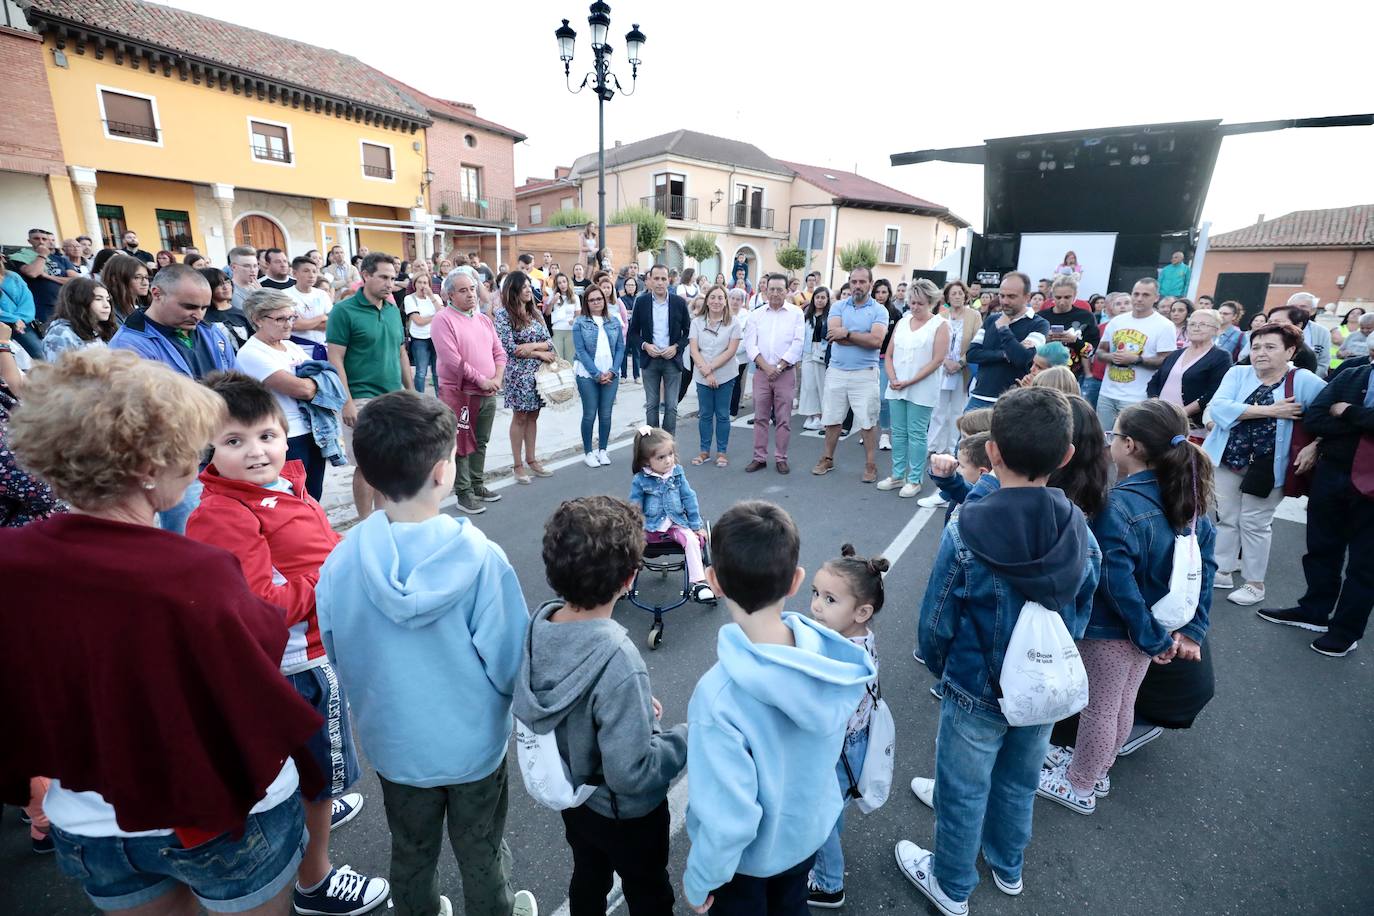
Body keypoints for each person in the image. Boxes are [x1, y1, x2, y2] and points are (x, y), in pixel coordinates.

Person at [1, 348, 325, 916]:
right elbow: (257, 675)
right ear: (150, 465)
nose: (195, 461)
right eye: (189, 447)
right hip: (219, 814)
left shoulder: (9, 561)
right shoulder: (191, 572)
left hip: (88, 817)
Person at [315, 392, 538, 916]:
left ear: (366, 474)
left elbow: (337, 650)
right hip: (473, 746)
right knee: (481, 847)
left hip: (395, 746)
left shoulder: (341, 561)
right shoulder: (482, 560)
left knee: (411, 850)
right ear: (443, 472)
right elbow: (510, 663)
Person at [186, 373, 389, 915]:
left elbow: (312, 551)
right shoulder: (226, 512)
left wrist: (346, 551)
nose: (256, 452)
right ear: (209, 446)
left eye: (266, 436)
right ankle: (316, 879)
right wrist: (336, 574)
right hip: (297, 664)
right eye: (234, 441)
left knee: (315, 767)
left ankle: (311, 810)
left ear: (285, 434)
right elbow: (260, 604)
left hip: (316, 652)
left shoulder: (284, 486)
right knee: (319, 772)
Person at [898, 387, 1099, 914]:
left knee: (963, 789)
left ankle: (950, 883)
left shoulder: (968, 524)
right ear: (1066, 456)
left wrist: (943, 668)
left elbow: (937, 616)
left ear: (992, 453)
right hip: (1042, 685)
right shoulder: (1079, 528)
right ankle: (1007, 865)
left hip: (974, 683)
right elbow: (1083, 603)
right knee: (1019, 780)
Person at [683, 500, 875, 915]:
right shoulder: (832, 664)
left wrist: (699, 880)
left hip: (748, 866)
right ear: (796, 581)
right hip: (806, 838)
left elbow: (727, 819)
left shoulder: (719, 697)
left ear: (714, 581)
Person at [514, 495, 689, 916]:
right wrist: (686, 737)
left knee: (588, 873)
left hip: (577, 796)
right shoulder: (617, 658)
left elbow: (571, 696)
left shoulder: (541, 624)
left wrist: (629, 707)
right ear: (630, 578)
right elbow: (632, 773)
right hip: (628, 812)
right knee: (648, 889)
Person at [1039, 399, 1215, 816]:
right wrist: (1166, 634)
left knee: (1099, 705)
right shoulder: (1189, 499)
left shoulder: (1119, 505)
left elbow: (1116, 584)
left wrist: (1148, 635)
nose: (1109, 442)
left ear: (1131, 446)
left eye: (1114, 435)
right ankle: (1097, 765)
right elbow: (1204, 570)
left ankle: (1080, 783)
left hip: (1115, 630)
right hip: (1154, 627)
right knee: (1123, 702)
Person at [1202, 323, 1325, 607]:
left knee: (1255, 522)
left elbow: (1328, 413)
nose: (1260, 353)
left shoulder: (1304, 380)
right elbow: (1219, 408)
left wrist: (1316, 444)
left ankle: (1254, 584)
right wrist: (1270, 411)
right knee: (1227, 517)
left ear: (1290, 351)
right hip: (1228, 458)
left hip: (1269, 466)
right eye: (1256, 347)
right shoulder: (1238, 372)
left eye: (1270, 347)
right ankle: (1222, 570)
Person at [1257, 359, 1374, 656]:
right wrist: (1363, 423)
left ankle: (1345, 631)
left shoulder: (1348, 391)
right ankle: (1313, 611)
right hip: (1333, 473)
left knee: (1365, 565)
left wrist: (1348, 412)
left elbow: (1337, 416)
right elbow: (1316, 418)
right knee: (1321, 548)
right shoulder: (1353, 374)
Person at [110, 263, 235, 532]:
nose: (198, 315)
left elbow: (234, 381)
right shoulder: (128, 345)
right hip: (179, 462)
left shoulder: (212, 333)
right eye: (189, 306)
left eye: (203, 307)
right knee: (188, 535)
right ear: (157, 293)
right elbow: (142, 413)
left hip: (223, 451)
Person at [805, 544, 889, 909]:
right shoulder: (857, 638)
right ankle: (828, 855)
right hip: (852, 743)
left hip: (836, 748)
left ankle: (827, 882)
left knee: (817, 815)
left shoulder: (845, 657)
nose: (817, 606)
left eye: (829, 599)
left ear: (862, 611)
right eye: (816, 594)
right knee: (832, 808)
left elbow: (823, 712)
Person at [327, 253, 413, 519]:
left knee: (388, 464)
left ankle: (382, 520)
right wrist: (346, 401)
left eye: (393, 278)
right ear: (365, 276)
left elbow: (401, 353)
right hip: (361, 398)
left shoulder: (391, 310)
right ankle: (365, 524)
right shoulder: (343, 311)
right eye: (384, 277)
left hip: (394, 398)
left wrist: (411, 394)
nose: (390, 283)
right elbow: (335, 358)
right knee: (366, 466)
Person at [232, 290, 331, 500]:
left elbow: (329, 379)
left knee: (313, 494)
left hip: (311, 429)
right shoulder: (252, 353)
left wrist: (317, 383)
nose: (288, 324)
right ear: (257, 319)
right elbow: (302, 389)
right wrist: (316, 384)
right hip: (284, 435)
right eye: (280, 319)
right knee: (291, 497)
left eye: (291, 317)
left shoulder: (291, 346)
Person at [428, 269, 505, 515]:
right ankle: (464, 492)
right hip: (459, 393)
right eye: (463, 290)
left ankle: (477, 483)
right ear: (450, 294)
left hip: (487, 392)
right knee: (461, 444)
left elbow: (499, 352)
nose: (471, 294)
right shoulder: (443, 319)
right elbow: (452, 360)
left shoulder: (483, 319)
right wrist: (482, 380)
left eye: (472, 288)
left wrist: (496, 378)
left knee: (481, 441)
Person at [813, 267, 888, 482]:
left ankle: (871, 465)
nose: (857, 285)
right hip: (837, 370)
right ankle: (827, 458)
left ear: (870, 284)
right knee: (832, 418)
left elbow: (876, 342)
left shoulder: (879, 311)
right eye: (853, 281)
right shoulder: (838, 306)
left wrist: (846, 333)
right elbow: (832, 335)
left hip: (865, 373)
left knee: (867, 421)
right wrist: (858, 337)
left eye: (862, 281)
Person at [877, 278, 949, 498]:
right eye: (912, 302)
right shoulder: (902, 321)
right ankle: (898, 474)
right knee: (898, 433)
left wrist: (909, 381)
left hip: (921, 388)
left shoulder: (940, 325)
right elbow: (889, 354)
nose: (915, 307)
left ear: (931, 302)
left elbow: (937, 360)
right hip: (897, 385)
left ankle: (914, 479)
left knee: (917, 433)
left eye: (920, 303)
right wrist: (892, 376)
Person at [629, 426, 713, 601]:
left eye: (670, 454)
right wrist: (633, 526)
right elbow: (635, 505)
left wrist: (696, 526)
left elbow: (689, 498)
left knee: (692, 540)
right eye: (661, 457)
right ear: (646, 461)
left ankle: (699, 583)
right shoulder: (640, 480)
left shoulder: (677, 473)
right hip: (650, 527)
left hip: (675, 525)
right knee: (629, 544)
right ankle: (625, 582)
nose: (668, 460)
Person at [494, 270, 556, 484]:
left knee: (533, 416)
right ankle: (517, 465)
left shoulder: (536, 312)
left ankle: (532, 460)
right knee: (520, 416)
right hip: (518, 374)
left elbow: (549, 341)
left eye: (530, 286)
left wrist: (531, 347)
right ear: (513, 290)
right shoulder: (503, 315)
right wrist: (538, 351)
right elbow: (509, 348)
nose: (529, 290)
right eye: (524, 287)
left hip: (539, 374)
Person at [1095, 277, 1178, 432]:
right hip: (1107, 392)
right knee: (1102, 441)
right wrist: (1111, 357)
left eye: (1146, 295)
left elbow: (1166, 361)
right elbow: (1100, 352)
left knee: (1129, 443)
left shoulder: (1164, 325)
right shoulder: (1116, 322)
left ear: (1156, 298)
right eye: (1136, 294)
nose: (1139, 299)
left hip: (1137, 397)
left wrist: (1136, 359)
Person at [742, 274, 804, 475]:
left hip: (785, 374)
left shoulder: (796, 314)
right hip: (762, 373)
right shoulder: (756, 315)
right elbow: (750, 344)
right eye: (772, 289)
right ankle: (759, 457)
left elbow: (798, 343)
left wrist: (779, 366)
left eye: (780, 289)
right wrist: (767, 368)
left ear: (787, 291)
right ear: (765, 291)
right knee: (760, 417)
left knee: (783, 418)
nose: (775, 293)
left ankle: (781, 458)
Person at [965, 272, 1050, 411]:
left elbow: (1022, 358)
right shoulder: (992, 320)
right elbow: (972, 354)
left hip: (1014, 401)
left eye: (1011, 296)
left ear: (1027, 297)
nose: (1004, 301)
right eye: (1002, 295)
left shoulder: (1039, 324)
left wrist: (1004, 328)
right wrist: (1005, 354)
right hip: (979, 397)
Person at [1146, 307, 1233, 441]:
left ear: (1216, 330)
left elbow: (1214, 392)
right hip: (1159, 421)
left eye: (1203, 324)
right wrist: (1156, 407)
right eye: (1192, 324)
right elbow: (1154, 382)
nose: (1196, 328)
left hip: (1191, 427)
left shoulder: (1221, 356)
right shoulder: (1176, 354)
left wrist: (1180, 414)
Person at [630, 264, 691, 435]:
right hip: (650, 360)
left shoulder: (679, 302)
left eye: (663, 279)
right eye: (656, 278)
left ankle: (667, 444)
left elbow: (688, 332)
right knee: (652, 405)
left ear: (668, 281)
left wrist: (676, 347)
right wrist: (645, 345)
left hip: (672, 360)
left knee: (671, 406)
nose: (659, 282)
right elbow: (633, 332)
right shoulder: (641, 302)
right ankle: (653, 444)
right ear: (649, 280)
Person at [690, 284, 742, 467]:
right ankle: (704, 451)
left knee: (722, 414)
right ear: (707, 300)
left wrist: (710, 368)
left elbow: (731, 351)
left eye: (720, 298)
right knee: (705, 414)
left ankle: (722, 452)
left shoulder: (734, 322)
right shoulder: (697, 322)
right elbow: (694, 349)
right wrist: (705, 371)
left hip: (725, 375)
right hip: (702, 374)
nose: (716, 301)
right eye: (713, 297)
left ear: (725, 301)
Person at [573, 283, 625, 468]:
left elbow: (620, 348)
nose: (596, 302)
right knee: (589, 414)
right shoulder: (580, 322)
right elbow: (580, 351)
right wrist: (596, 374)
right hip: (587, 374)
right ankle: (588, 452)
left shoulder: (614, 321)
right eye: (592, 299)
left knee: (606, 414)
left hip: (611, 372)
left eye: (599, 299)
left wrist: (612, 371)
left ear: (604, 300)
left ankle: (603, 450)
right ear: (586, 302)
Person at [929, 281, 981, 456]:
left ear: (965, 295)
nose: (957, 296)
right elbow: (934, 341)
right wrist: (944, 361)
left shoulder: (974, 315)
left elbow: (976, 343)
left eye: (960, 293)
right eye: (953, 293)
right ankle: (933, 445)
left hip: (962, 369)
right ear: (947, 297)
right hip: (942, 368)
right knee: (938, 409)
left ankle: (952, 448)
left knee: (957, 411)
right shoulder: (941, 315)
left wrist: (959, 363)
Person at [12, 228, 79, 331]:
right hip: (43, 307)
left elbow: (75, 280)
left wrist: (47, 276)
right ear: (29, 241)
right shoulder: (20, 256)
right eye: (36, 238)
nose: (41, 241)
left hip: (67, 304)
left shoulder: (60, 259)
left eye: (44, 239)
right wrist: (42, 255)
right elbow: (33, 273)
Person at [1039, 277, 1101, 380]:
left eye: (1067, 297)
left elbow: (1091, 351)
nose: (1062, 302)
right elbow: (1028, 348)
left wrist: (1075, 340)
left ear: (1075, 296)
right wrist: (1044, 339)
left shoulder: (1086, 317)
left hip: (1072, 377)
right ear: (1052, 296)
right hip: (1042, 374)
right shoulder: (1041, 317)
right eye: (1058, 297)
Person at [42, 276, 117, 360]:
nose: (106, 305)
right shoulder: (60, 335)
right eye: (98, 299)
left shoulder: (97, 329)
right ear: (80, 301)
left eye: (108, 300)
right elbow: (60, 371)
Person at [799, 286, 832, 432]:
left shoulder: (830, 316)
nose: (820, 300)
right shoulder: (806, 315)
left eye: (823, 297)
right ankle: (812, 414)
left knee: (822, 385)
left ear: (827, 299)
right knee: (808, 386)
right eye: (817, 297)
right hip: (807, 352)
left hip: (822, 353)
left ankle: (823, 416)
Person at [285, 255, 333, 353]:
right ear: (294, 273)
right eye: (306, 271)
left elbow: (332, 322)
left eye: (314, 271)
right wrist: (321, 317)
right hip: (299, 348)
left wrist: (304, 323)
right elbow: (293, 325)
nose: (311, 275)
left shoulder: (322, 294)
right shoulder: (285, 295)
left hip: (324, 346)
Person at [200, 265, 254, 350]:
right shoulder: (201, 317)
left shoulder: (242, 314)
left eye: (227, 282)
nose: (226, 287)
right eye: (219, 284)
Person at [1, 250, 42, 360]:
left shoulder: (12, 276)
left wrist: (22, 319)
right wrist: (14, 319)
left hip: (22, 324)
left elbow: (26, 298)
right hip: (3, 324)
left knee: (41, 355)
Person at [403, 273, 440, 393]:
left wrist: (431, 297)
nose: (422, 285)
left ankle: (441, 400)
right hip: (419, 339)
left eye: (425, 282)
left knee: (437, 372)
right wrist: (435, 316)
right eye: (419, 282)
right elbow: (418, 321)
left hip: (436, 338)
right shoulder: (409, 298)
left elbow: (444, 314)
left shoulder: (435, 297)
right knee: (421, 372)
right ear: (414, 284)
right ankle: (420, 400)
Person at [1284, 291, 1332, 378]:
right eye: (1293, 306)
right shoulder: (1276, 328)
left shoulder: (1322, 332)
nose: (1297, 310)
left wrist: (1307, 379)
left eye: (1303, 307)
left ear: (1313, 311)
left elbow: (1323, 363)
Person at [102, 253, 152, 323]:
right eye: (137, 277)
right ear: (115, 279)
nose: (145, 283)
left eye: (146, 277)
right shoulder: (108, 311)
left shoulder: (146, 304)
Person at [547, 272, 580, 363]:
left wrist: (574, 320)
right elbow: (547, 313)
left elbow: (578, 314)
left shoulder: (575, 297)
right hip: (557, 330)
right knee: (558, 359)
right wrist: (552, 302)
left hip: (570, 330)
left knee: (570, 359)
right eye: (559, 283)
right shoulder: (553, 296)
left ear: (568, 282)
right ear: (557, 285)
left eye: (564, 281)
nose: (562, 284)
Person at [620, 274, 642, 380]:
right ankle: (623, 375)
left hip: (635, 328)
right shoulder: (621, 299)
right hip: (624, 328)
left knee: (636, 352)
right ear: (625, 286)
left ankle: (636, 375)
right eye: (628, 285)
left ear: (636, 287)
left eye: (632, 285)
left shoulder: (639, 299)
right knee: (623, 352)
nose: (630, 287)